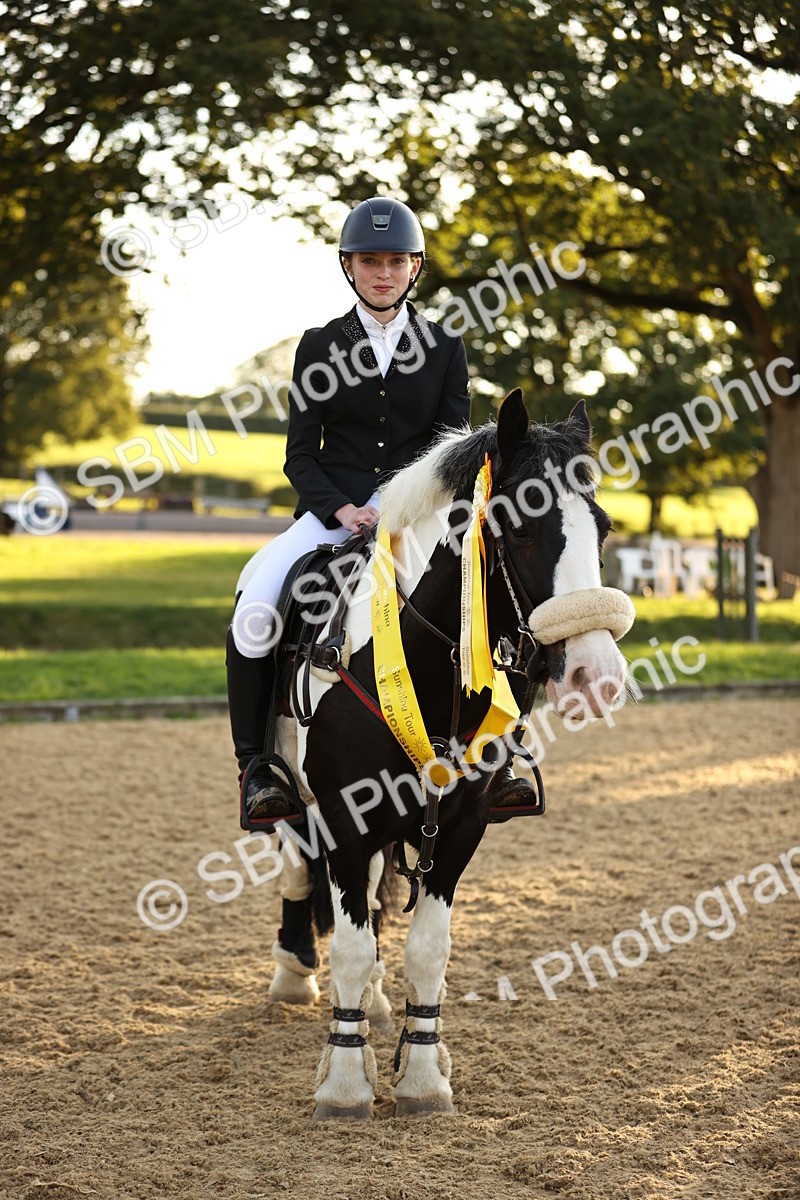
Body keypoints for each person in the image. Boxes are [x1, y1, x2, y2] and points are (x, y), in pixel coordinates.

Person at [226, 195, 472, 826]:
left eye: (395, 261)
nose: (382, 273)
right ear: (349, 267)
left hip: (417, 519)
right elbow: (300, 456)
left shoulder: (445, 348)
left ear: (414, 267)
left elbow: (452, 451)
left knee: (487, 599)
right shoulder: (317, 346)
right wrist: (340, 510)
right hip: (330, 514)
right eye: (369, 261)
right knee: (255, 607)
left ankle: (507, 755)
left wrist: (397, 507)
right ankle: (258, 768)